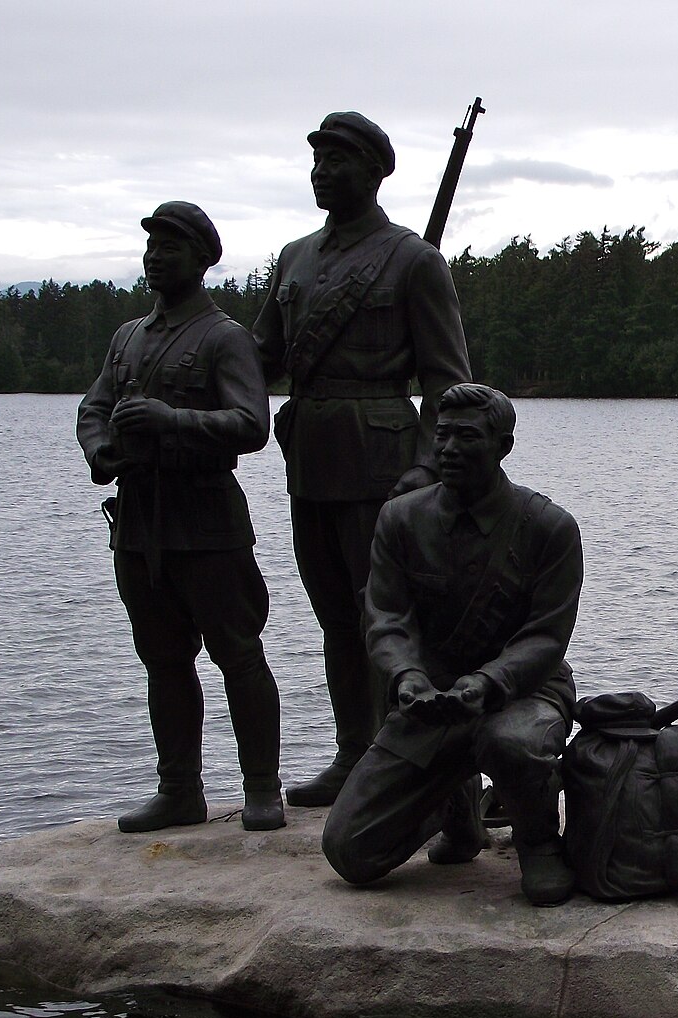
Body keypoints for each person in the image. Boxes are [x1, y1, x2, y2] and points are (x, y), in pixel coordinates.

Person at [253, 111, 472, 809]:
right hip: (311, 460)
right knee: (335, 620)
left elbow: (447, 383)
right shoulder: (294, 258)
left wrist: (424, 467)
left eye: (336, 162)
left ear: (375, 172)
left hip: (383, 465)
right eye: (314, 162)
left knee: (390, 621)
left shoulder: (413, 260)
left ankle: (403, 757)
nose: (320, 173)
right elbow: (258, 357)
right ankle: (354, 753)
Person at [321, 384, 583, 905]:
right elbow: (386, 615)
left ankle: (538, 841)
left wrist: (489, 682)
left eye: (468, 436)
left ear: (502, 445)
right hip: (433, 698)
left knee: (510, 742)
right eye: (442, 436)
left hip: (523, 691)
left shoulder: (549, 528)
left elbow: (545, 637)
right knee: (350, 851)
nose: (449, 449)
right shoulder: (399, 520)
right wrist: (406, 677)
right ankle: (459, 816)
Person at [77, 202, 284, 834]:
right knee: (163, 659)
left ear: (202, 259)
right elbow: (93, 406)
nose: (155, 257)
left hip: (207, 520)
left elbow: (253, 425)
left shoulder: (225, 338)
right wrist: (102, 450)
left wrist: (172, 420)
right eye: (150, 247)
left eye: (170, 247)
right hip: (140, 522)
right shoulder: (128, 336)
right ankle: (179, 791)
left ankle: (261, 789)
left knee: (238, 652)